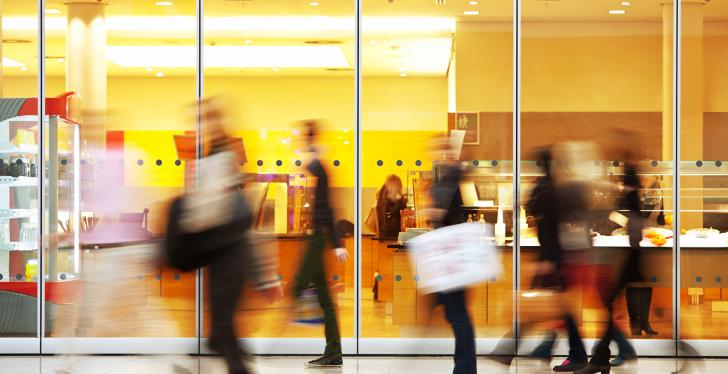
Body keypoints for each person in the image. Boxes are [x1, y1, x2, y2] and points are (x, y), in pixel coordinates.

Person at [166, 97, 281, 374]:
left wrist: (183, 212)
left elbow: (216, 217)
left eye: (206, 119)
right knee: (220, 329)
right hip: (222, 259)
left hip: (229, 259)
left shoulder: (220, 161)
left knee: (224, 328)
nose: (202, 125)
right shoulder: (214, 159)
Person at [577, 133, 643, 374]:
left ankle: (605, 357)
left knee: (606, 306)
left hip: (626, 257)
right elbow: (623, 211)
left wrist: (610, 219)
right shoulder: (629, 179)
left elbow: (626, 212)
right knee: (607, 306)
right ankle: (605, 357)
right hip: (625, 255)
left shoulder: (630, 179)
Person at [525, 148, 588, 372]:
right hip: (559, 254)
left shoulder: (545, 188)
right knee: (554, 306)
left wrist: (547, 259)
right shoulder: (559, 187)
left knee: (548, 305)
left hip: (552, 256)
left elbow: (540, 219)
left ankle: (571, 354)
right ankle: (548, 350)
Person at [294, 120, 349, 368]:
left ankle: (262, 341)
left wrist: (336, 243)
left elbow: (327, 209)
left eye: (306, 140)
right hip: (316, 238)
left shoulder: (320, 167)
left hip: (318, 240)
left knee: (296, 287)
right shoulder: (318, 167)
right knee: (325, 299)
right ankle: (334, 351)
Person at [426, 134, 476, 374]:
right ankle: (464, 366)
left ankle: (465, 367)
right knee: (455, 312)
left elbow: (438, 212)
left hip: (450, 253)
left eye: (437, 150)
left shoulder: (449, 175)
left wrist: (431, 208)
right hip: (453, 252)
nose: (434, 155)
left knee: (457, 313)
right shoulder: (453, 175)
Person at [376, 174, 408, 239]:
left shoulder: (389, 196)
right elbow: (388, 215)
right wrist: (399, 202)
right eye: (398, 186)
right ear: (392, 185)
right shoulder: (384, 199)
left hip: (393, 231)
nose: (399, 188)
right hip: (389, 234)